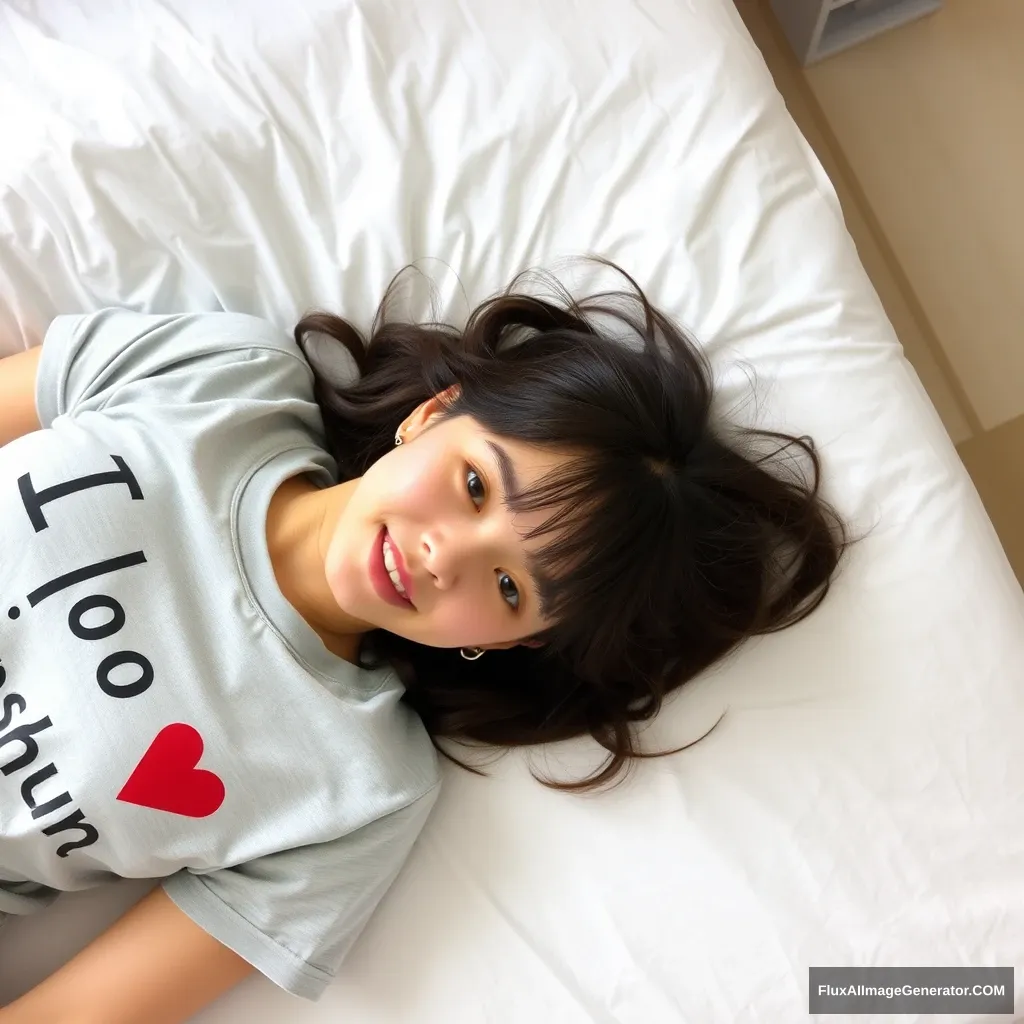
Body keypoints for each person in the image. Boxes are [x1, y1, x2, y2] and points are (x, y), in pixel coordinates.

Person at [0, 258, 854, 1022]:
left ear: (523, 642)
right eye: (477, 485)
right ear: (434, 413)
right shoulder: (221, 378)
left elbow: (79, 1013)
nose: (445, 555)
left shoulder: (362, 791)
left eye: (513, 587)